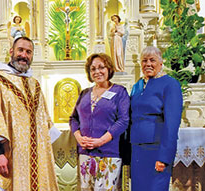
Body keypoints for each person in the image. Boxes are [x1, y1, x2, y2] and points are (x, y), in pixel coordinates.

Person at [0, 37, 60, 191]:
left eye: (28, 52)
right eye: (20, 50)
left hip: (35, 162)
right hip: (7, 160)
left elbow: (44, 125)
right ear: (11, 52)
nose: (24, 55)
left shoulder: (34, 85)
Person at [70, 53, 130, 190]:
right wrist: (78, 137)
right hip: (85, 154)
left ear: (109, 69)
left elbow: (123, 120)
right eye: (93, 69)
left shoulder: (120, 92)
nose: (97, 72)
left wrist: (101, 140)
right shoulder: (84, 93)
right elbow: (73, 118)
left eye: (101, 67)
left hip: (108, 153)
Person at [130, 46, 183, 191]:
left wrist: (164, 157)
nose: (148, 64)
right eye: (144, 61)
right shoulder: (137, 86)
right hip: (136, 149)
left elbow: (172, 124)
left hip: (156, 149)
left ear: (161, 63)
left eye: (152, 60)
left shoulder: (170, 84)